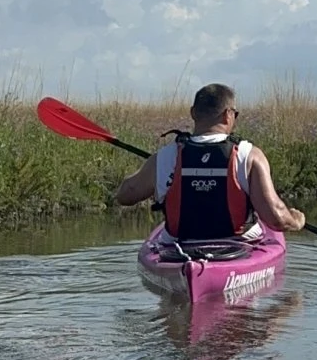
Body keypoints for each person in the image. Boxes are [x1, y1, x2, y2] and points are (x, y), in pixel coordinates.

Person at [115, 83, 306, 243]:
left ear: (192, 113)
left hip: (179, 248)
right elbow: (276, 218)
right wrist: (296, 220)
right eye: (235, 114)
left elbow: (125, 195)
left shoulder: (167, 155)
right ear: (228, 115)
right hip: (237, 246)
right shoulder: (249, 155)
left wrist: (157, 171)